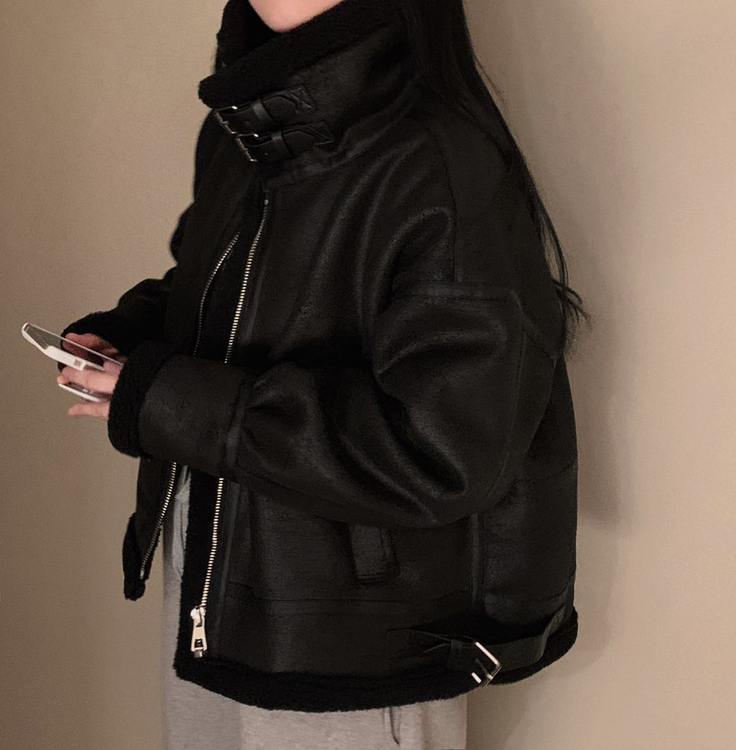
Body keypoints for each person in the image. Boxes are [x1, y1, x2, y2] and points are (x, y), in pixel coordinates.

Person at [57, 0, 588, 748]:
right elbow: (224, 292)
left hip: (353, 654)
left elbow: (442, 453)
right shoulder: (242, 131)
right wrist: (131, 336)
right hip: (215, 603)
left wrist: (168, 398)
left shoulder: (440, 162)